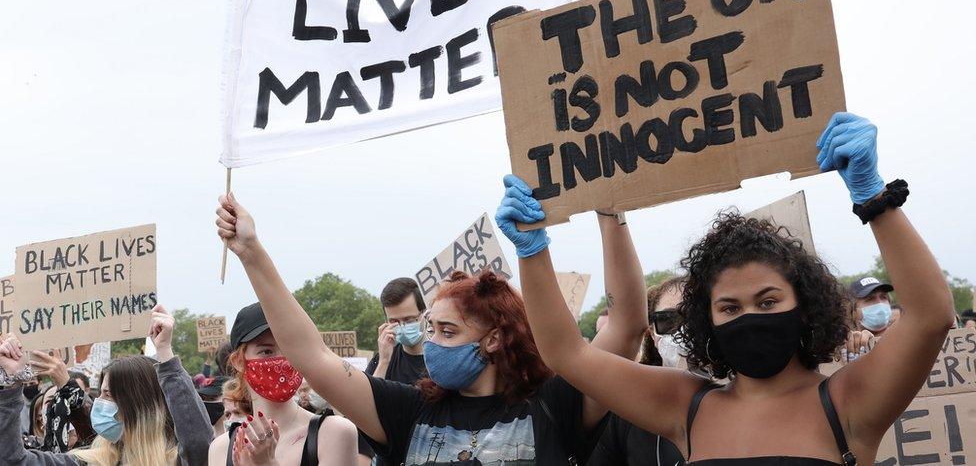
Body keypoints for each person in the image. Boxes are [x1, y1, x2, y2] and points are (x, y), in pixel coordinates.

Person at [505, 112, 956, 464]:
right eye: (729, 308)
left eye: (768, 300)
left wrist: (874, 197)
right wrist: (531, 251)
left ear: (804, 307)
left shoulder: (849, 401)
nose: (750, 317)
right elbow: (568, 354)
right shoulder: (686, 405)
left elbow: (930, 316)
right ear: (708, 321)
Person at [214, 191, 649, 465]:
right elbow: (312, 354)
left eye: (447, 332)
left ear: (493, 339)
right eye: (431, 328)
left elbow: (628, 326)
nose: (431, 342)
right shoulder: (409, 411)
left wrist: (610, 207)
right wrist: (252, 252)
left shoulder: (555, 405)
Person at [0, 304, 214, 465]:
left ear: (139, 406)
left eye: (109, 396)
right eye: (101, 393)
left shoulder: (175, 461)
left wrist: (165, 354)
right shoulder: (87, 461)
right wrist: (11, 383)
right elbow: (12, 459)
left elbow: (199, 445)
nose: (98, 403)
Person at [207, 301, 358, 465]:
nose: (282, 360)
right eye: (266, 351)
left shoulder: (334, 433)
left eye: (289, 348)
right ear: (238, 361)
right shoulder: (221, 448)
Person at [589, 278, 687, 466]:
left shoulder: (744, 397)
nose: (683, 331)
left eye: (695, 317)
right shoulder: (626, 407)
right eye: (669, 320)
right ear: (651, 331)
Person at [30, 349, 96, 451]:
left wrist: (66, 383)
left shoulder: (94, 455)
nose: (63, 408)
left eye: (71, 401)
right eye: (51, 402)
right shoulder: (34, 453)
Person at [367, 277, 428, 385]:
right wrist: (384, 361)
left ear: (424, 314)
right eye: (394, 321)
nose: (402, 327)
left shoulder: (439, 357)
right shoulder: (382, 359)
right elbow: (366, 398)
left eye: (409, 320)